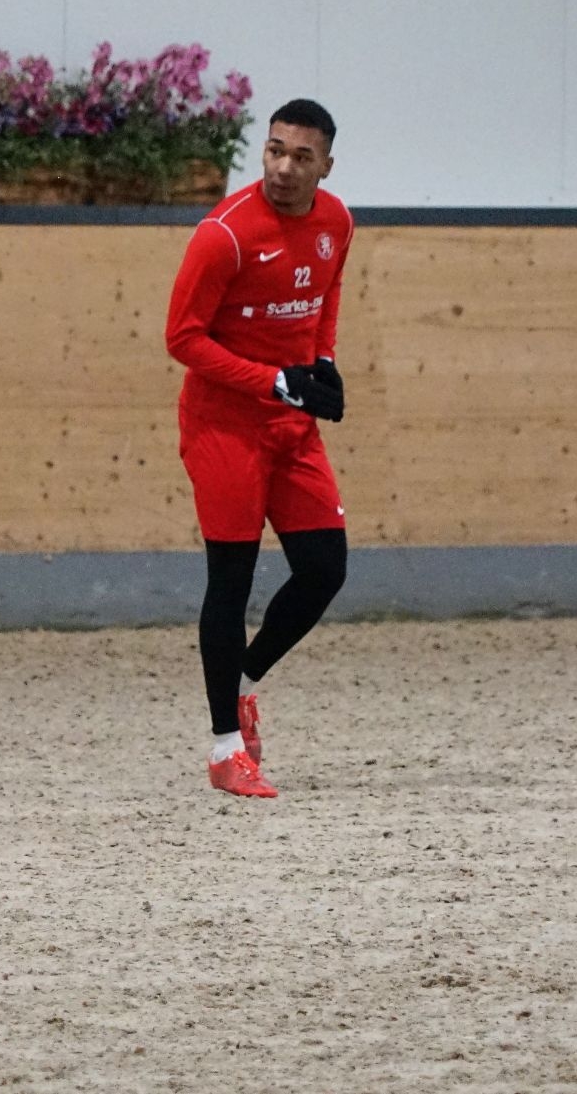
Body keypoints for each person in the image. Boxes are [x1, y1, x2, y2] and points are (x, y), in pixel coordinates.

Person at [165, 98, 353, 799]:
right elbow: (182, 338)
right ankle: (225, 750)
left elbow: (324, 295)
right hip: (225, 425)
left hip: (289, 423)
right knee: (232, 581)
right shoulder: (224, 235)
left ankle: (242, 681)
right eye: (275, 150)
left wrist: (322, 360)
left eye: (302, 156)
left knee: (324, 568)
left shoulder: (337, 222)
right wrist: (274, 380)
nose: (284, 167)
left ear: (325, 166)